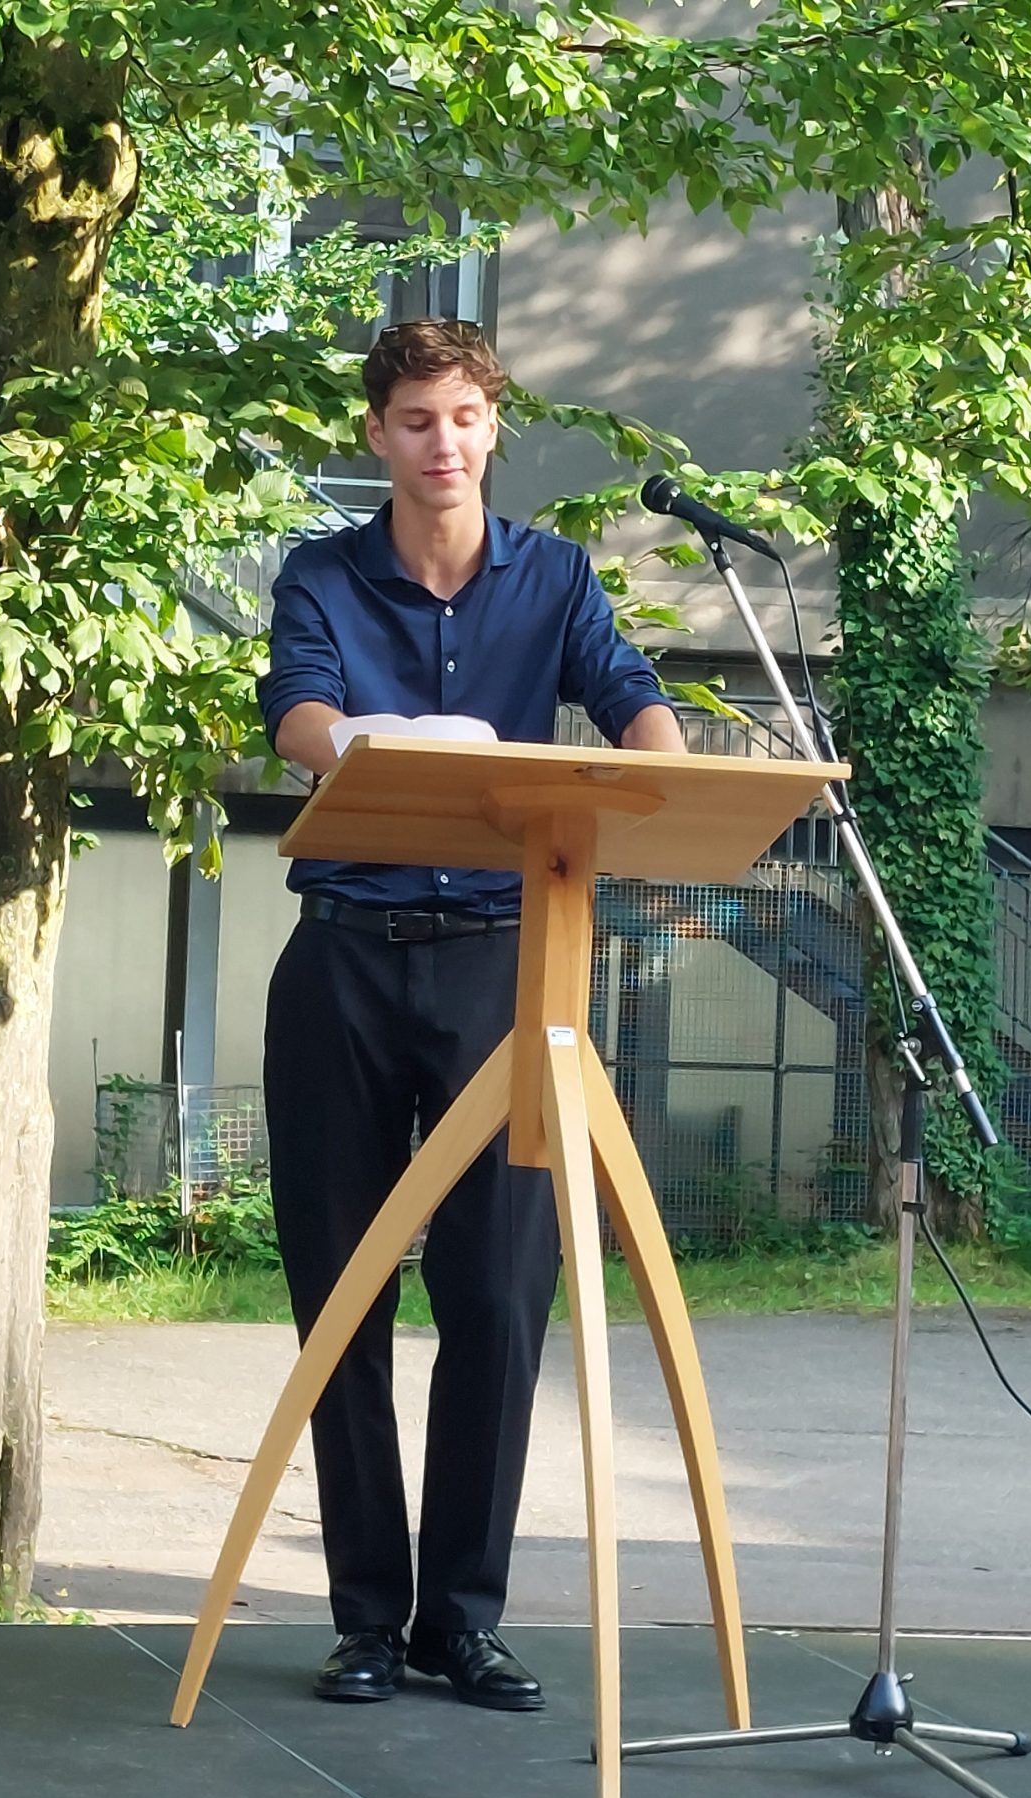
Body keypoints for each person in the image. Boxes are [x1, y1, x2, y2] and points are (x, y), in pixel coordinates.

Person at [257, 317, 687, 1710]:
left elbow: (635, 704)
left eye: (466, 417)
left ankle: (463, 1619)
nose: (444, 443)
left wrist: (659, 776)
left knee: (500, 1299)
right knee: (345, 1296)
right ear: (378, 436)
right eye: (417, 420)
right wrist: (373, 745)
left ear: (494, 426)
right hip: (347, 964)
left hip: (514, 968)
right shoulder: (322, 574)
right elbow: (301, 718)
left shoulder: (555, 576)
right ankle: (369, 1621)